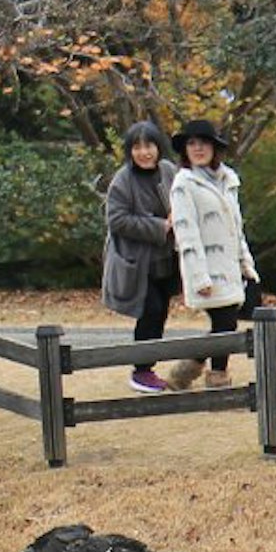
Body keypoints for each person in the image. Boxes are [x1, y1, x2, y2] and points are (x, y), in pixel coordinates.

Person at [163, 119, 264, 386]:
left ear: (214, 147)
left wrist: (246, 263)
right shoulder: (184, 183)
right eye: (191, 143)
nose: (197, 148)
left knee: (226, 322)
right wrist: (199, 277)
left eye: (203, 143)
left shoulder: (227, 180)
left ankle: (188, 371)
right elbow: (186, 233)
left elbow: (236, 228)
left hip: (230, 266)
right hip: (206, 267)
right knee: (225, 322)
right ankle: (215, 376)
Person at [100, 122, 180, 394]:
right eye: (137, 147)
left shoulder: (169, 171)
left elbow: (182, 199)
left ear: (159, 147)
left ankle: (147, 369)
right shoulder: (123, 179)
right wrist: (160, 226)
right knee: (151, 311)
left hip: (166, 259)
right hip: (136, 263)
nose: (144, 152)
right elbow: (116, 219)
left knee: (160, 313)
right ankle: (141, 370)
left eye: (149, 146)